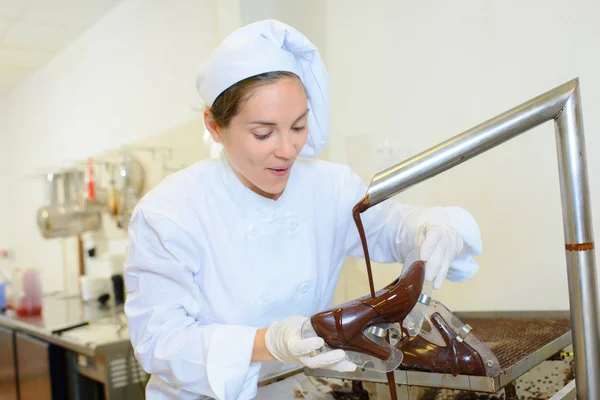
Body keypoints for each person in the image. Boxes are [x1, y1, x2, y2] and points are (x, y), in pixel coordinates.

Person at [124, 19, 482, 400]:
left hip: (301, 389)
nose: (287, 149)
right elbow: (160, 343)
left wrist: (433, 227)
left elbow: (394, 227)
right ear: (214, 126)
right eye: (263, 133)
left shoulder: (328, 186)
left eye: (298, 126)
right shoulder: (169, 212)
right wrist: (269, 343)